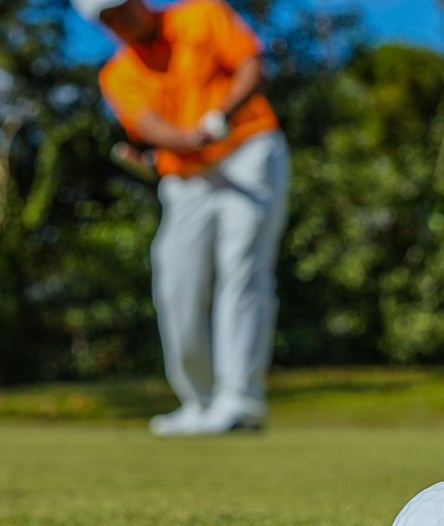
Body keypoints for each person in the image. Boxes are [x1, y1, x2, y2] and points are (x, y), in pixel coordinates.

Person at [72, 0, 290, 436]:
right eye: (110, 17)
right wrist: (190, 138)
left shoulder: (203, 13)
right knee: (176, 283)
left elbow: (251, 66)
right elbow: (148, 125)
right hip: (187, 178)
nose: (123, 18)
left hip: (248, 152)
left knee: (242, 270)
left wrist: (220, 116)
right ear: (104, 26)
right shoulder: (117, 73)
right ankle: (199, 401)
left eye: (124, 6)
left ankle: (239, 401)